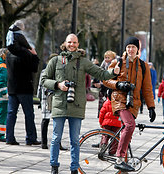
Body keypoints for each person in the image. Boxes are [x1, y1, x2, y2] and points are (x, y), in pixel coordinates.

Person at [41, 34, 120, 174]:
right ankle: (54, 166)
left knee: (75, 141)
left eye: (75, 42)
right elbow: (44, 79)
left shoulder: (83, 62)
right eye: (70, 42)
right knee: (55, 138)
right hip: (59, 104)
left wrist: (113, 72)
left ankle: (74, 168)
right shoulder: (56, 60)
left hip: (76, 105)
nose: (72, 45)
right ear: (65, 43)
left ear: (78, 44)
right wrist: (58, 84)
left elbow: (100, 73)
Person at [103, 36, 156, 172]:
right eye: (129, 47)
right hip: (119, 99)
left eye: (133, 47)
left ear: (138, 49)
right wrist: (118, 84)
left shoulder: (143, 66)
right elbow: (105, 79)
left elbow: (147, 88)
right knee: (130, 125)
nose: (131, 49)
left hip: (134, 103)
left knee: (128, 134)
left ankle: (123, 168)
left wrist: (151, 107)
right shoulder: (118, 62)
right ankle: (119, 158)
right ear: (126, 49)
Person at [5, 20, 40, 146]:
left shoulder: (9, 54)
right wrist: (35, 56)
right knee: (29, 114)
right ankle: (30, 138)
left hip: (12, 88)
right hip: (24, 88)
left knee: (11, 113)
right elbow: (34, 68)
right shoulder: (25, 53)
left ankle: (9, 137)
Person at [37, 53, 68, 150]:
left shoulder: (44, 71)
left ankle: (45, 143)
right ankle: (54, 143)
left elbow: (39, 87)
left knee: (47, 120)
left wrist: (39, 99)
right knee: (54, 120)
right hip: (51, 98)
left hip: (47, 98)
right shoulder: (58, 72)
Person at [98, 89, 121, 156]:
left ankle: (104, 144)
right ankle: (112, 152)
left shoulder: (106, 103)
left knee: (105, 135)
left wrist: (101, 122)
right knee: (115, 138)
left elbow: (101, 113)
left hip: (106, 123)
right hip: (117, 124)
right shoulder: (119, 103)